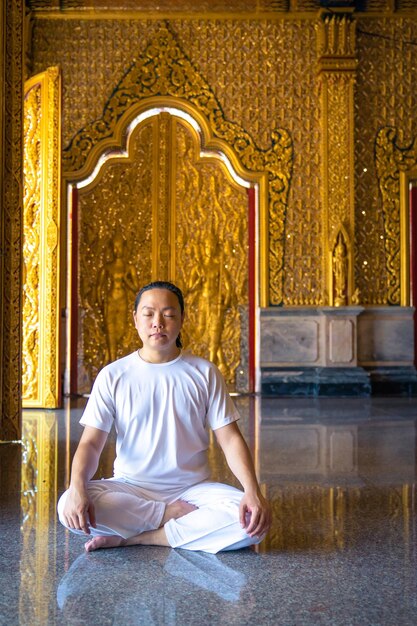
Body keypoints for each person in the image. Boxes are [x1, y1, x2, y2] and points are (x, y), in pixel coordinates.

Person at [58, 280, 271, 553]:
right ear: (135, 319)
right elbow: (90, 444)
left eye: (169, 315)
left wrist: (252, 490)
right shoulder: (113, 375)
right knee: (68, 507)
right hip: (131, 489)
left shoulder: (204, 372)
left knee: (251, 521)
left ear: (182, 319)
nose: (158, 323)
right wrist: (77, 488)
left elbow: (230, 440)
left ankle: (140, 537)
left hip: (192, 490)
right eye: (148, 314)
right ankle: (168, 521)